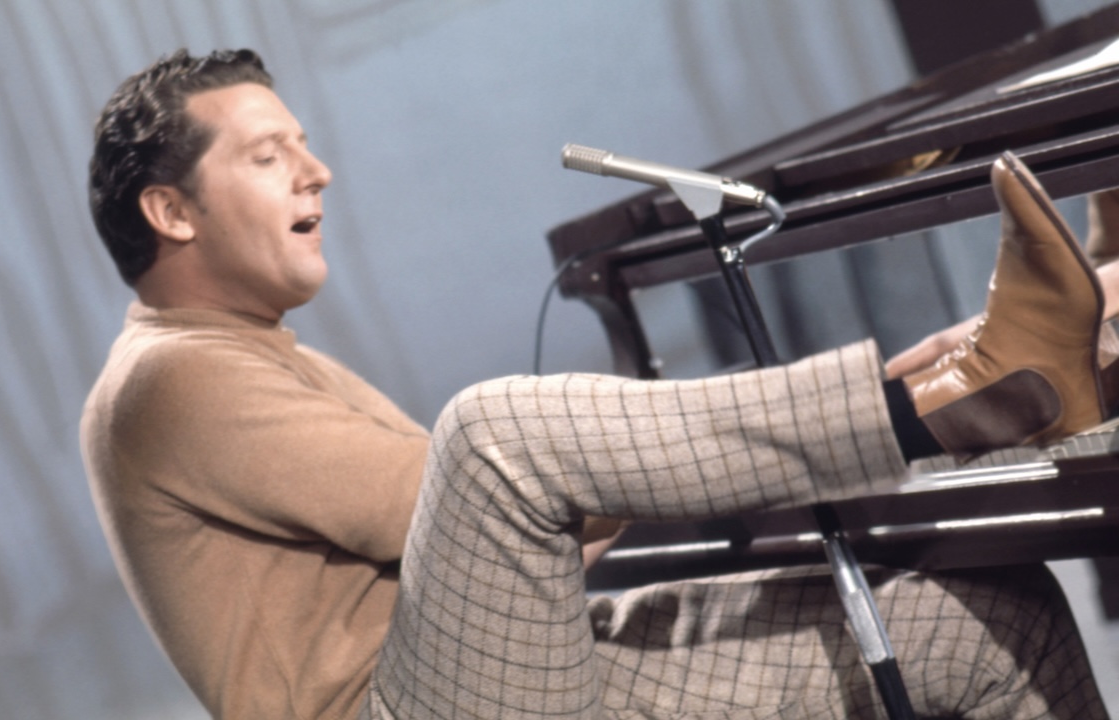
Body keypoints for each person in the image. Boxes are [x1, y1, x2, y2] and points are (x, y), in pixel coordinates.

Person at [80, 49, 1110, 720]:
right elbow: (435, 503)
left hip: (512, 668)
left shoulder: (252, 352)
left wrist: (871, 393)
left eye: (304, 146)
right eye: (270, 156)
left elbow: (538, 527)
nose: (318, 172)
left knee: (981, 619)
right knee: (485, 434)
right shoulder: (167, 381)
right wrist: (811, 430)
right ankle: (963, 396)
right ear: (171, 213)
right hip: (407, 706)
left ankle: (986, 376)